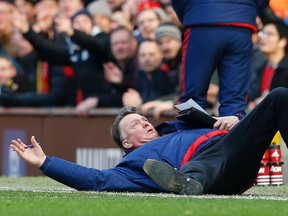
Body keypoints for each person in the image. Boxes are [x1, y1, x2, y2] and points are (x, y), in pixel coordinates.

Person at [10, 87, 288, 195]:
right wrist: (46, 162)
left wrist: (234, 122)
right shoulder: (134, 164)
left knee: (278, 97)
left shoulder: (180, 129)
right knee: (202, 164)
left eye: (144, 119)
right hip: (208, 168)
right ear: (127, 143)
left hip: (234, 151)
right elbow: (95, 180)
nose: (144, 121)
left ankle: (189, 182)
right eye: (135, 124)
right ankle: (187, 183)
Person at [170, 0, 270, 130]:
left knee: (192, 99)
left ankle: (189, 146)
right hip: (242, 25)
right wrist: (246, 8)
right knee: (235, 102)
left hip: (201, 20)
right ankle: (234, 147)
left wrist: (190, 12)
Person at [248, 19, 288, 111]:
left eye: (269, 34)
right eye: (262, 33)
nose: (263, 37)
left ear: (282, 41)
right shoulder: (261, 68)